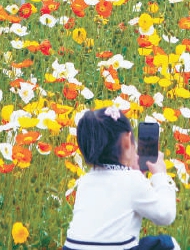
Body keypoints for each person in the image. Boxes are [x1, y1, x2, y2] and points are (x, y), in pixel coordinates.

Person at [64, 107, 179, 250]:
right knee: (167, 244)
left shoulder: (85, 181)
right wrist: (160, 175)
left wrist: (136, 174)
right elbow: (165, 215)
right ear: (126, 140)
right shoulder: (133, 180)